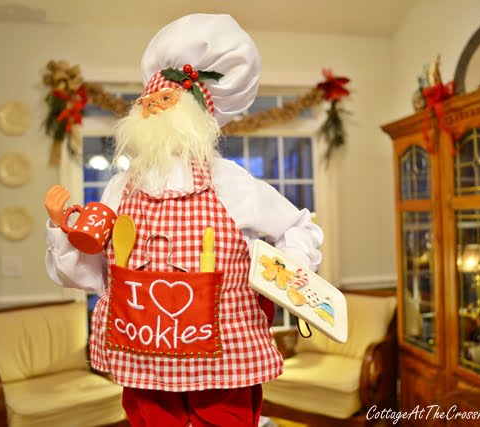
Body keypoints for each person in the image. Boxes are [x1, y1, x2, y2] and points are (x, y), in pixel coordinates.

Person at [45, 14, 323, 427]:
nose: (150, 108)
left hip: (224, 353)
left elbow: (299, 226)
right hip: (142, 352)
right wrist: (64, 230)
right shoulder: (120, 188)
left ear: (195, 116)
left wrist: (285, 274)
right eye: (147, 101)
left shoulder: (232, 182)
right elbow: (92, 273)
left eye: (165, 101)